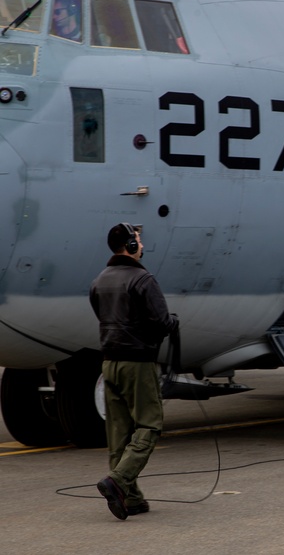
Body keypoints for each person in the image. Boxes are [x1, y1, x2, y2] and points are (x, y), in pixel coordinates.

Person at [90, 223, 178, 520]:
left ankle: (130, 498)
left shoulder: (99, 280)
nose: (141, 245)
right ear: (129, 245)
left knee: (118, 432)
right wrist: (172, 323)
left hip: (109, 362)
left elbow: (100, 313)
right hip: (137, 364)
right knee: (149, 426)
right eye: (138, 240)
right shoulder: (142, 279)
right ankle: (117, 481)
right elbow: (162, 322)